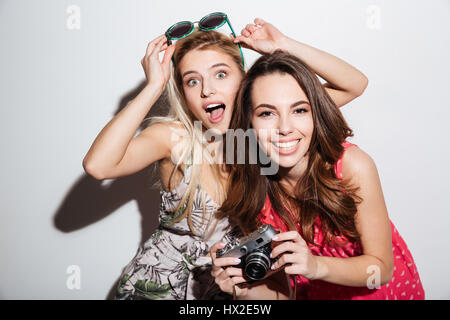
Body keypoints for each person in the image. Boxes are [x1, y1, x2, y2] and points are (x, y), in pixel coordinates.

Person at [82, 14, 369, 300]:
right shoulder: (174, 137)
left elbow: (353, 85)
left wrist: (281, 45)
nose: (207, 90)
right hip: (159, 285)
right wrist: (154, 87)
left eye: (221, 74)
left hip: (232, 284)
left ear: (244, 79)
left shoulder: (269, 133)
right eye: (192, 81)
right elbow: (98, 165)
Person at [211, 50, 425, 300]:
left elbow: (381, 269)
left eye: (299, 110)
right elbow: (282, 295)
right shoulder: (255, 190)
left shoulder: (351, 166)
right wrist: (242, 288)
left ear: (316, 114)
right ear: (249, 122)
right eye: (267, 113)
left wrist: (314, 266)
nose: (285, 128)